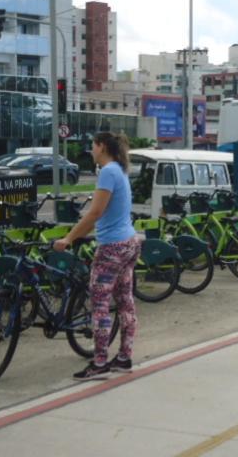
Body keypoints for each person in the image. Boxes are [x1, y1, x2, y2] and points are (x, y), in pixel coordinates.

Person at [54, 131, 141, 381]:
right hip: (129, 242)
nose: (91, 149)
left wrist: (68, 238)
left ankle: (100, 361)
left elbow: (95, 213)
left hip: (112, 247)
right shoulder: (120, 170)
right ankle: (124, 357)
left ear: (101, 147)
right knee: (125, 301)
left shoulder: (108, 172)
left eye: (92, 145)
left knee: (100, 305)